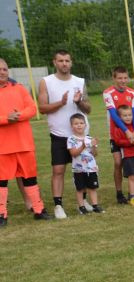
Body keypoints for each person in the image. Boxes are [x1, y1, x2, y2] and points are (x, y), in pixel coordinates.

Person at [38, 49, 90, 220]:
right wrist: (60, 103)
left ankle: (83, 201)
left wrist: (79, 101)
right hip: (59, 134)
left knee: (82, 169)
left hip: (79, 134)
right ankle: (58, 205)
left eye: (67, 60)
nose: (64, 64)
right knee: (58, 170)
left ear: (71, 62)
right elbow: (42, 108)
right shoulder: (46, 81)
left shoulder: (79, 81)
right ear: (54, 62)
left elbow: (88, 108)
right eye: (60, 61)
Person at [0, 57, 49, 224]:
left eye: (4, 69)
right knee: (1, 182)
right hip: (3, 147)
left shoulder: (19, 88)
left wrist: (18, 116)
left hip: (24, 144)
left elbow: (32, 108)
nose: (2, 72)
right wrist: (6, 119)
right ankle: (1, 214)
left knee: (30, 178)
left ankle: (39, 210)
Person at [102, 67, 134, 205]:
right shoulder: (108, 93)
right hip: (116, 134)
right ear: (114, 78)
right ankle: (119, 193)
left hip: (131, 135)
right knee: (118, 162)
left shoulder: (133, 93)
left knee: (131, 162)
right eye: (120, 78)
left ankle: (132, 193)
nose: (123, 81)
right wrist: (126, 131)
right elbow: (113, 115)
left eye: (125, 78)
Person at [66, 113, 103, 214]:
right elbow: (73, 153)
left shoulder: (89, 138)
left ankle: (95, 206)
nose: (79, 125)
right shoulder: (71, 139)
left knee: (92, 187)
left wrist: (94, 146)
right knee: (80, 188)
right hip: (79, 169)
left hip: (91, 168)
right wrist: (83, 146)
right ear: (72, 126)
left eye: (81, 123)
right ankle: (81, 207)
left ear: (85, 125)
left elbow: (94, 154)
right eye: (76, 123)